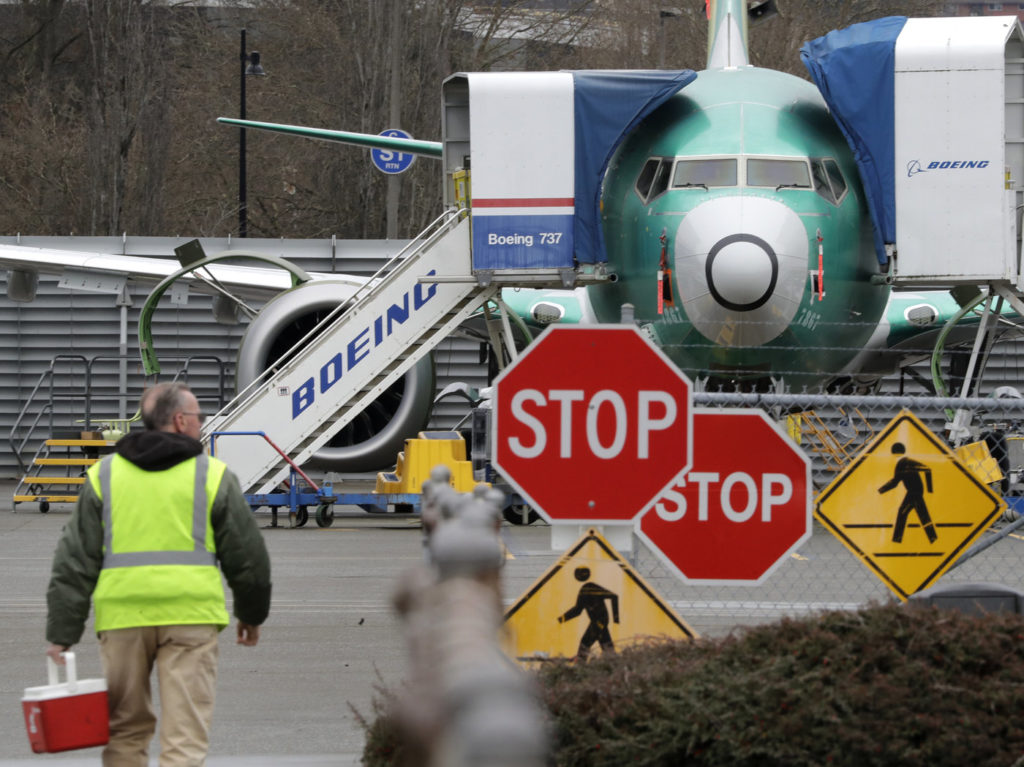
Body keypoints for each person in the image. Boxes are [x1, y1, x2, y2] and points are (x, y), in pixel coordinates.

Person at [44, 382, 272, 766]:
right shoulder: (212, 475)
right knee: (184, 737)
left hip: (122, 620)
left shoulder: (104, 475)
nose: (201, 424)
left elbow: (74, 560)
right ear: (180, 421)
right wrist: (250, 615)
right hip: (190, 619)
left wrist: (61, 635)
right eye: (198, 417)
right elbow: (248, 558)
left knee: (125, 732)